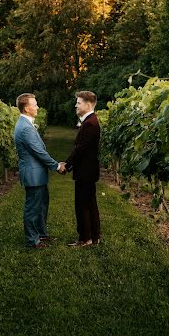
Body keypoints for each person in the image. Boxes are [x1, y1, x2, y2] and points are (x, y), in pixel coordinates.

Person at [14, 93, 65, 249]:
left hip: (37, 174)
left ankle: (41, 234)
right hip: (33, 175)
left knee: (41, 206)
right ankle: (32, 240)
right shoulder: (25, 127)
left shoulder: (26, 124)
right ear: (27, 108)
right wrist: (56, 166)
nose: (37, 107)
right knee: (33, 209)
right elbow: (39, 152)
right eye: (35, 104)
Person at [65, 91, 101, 247]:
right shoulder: (90, 121)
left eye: (78, 103)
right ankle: (94, 237)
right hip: (87, 171)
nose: (76, 105)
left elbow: (80, 149)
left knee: (83, 205)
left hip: (85, 172)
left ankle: (85, 238)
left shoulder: (90, 124)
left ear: (87, 105)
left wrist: (66, 165)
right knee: (90, 204)